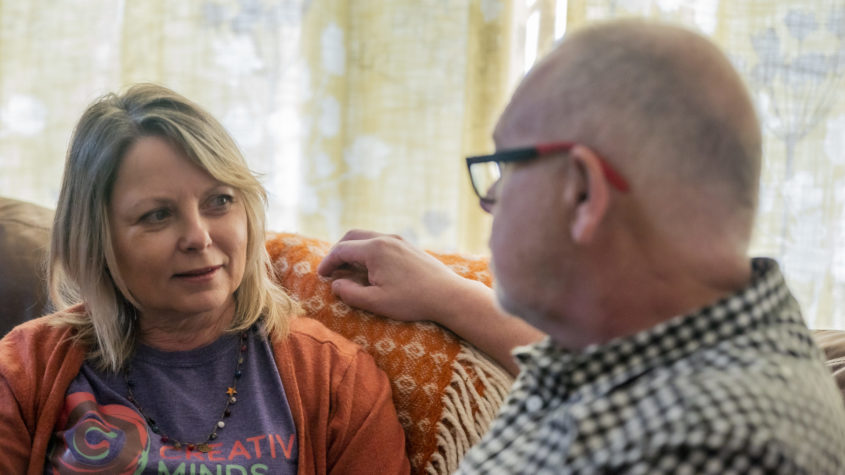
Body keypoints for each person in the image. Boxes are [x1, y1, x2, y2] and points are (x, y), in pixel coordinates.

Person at [317, 19, 845, 473]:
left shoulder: (708, 445)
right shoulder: (636, 350)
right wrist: (448, 295)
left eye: (506, 165)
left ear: (583, 191)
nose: (490, 198)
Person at [0, 84, 410, 474]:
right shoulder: (24, 369)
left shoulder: (336, 378)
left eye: (219, 201)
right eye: (157, 215)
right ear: (95, 238)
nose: (199, 237)